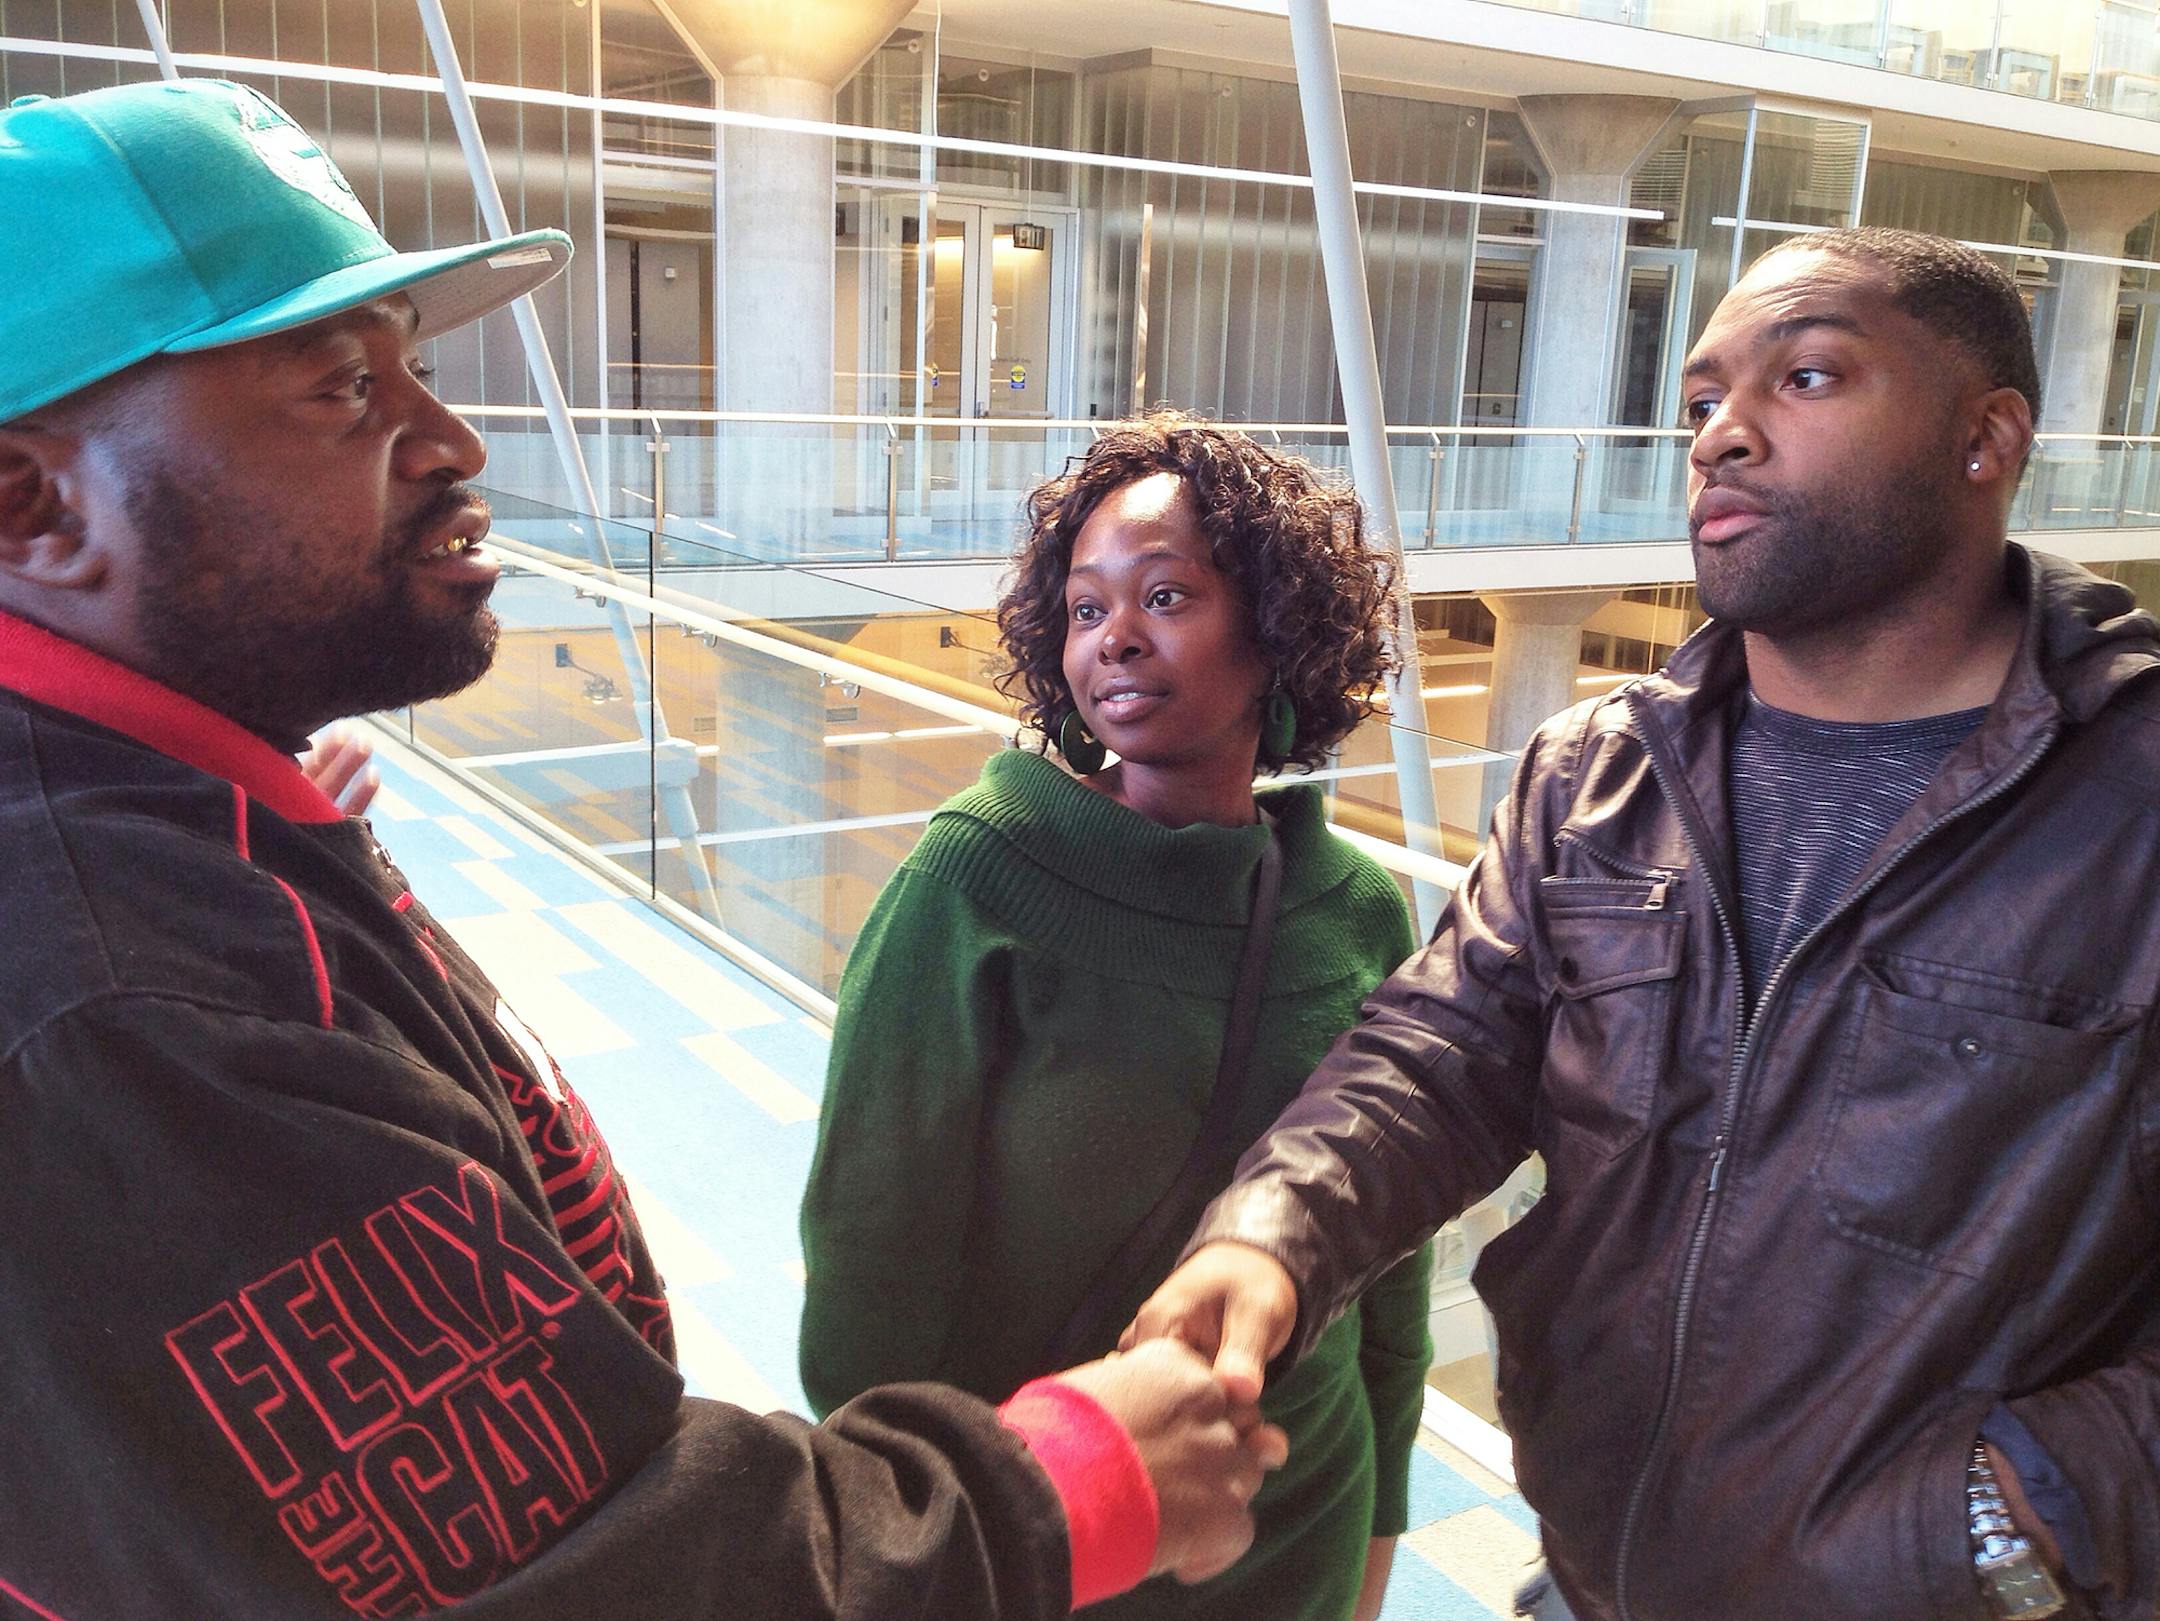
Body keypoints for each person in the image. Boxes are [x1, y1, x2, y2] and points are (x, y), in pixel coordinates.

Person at [0, 78, 1285, 1620]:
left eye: (413, 368)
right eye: (344, 391)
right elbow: (563, 1576)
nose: (452, 437)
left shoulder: (172, 841)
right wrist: (1068, 1486)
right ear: (33, 510)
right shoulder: (128, 1008)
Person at [1128, 226, 2160, 1621]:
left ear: (1987, 438)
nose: (1722, 438)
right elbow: (1444, 1050)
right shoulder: (1598, 768)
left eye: (1804, 378)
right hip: (1595, 1575)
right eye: (1699, 404)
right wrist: (1266, 1233)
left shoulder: (2130, 799)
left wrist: (2017, 1511)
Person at [799, 415, 1434, 1621]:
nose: (1117, 640)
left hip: (1304, 1520)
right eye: (1087, 610)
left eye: (1167, 595)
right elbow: (867, 1277)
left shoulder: (1351, 909)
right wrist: (918, 1549)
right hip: (1070, 1538)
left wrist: (1384, 1515)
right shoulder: (977, 879)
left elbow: (1389, 1263)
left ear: (1275, 625)